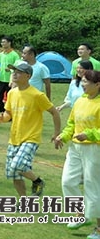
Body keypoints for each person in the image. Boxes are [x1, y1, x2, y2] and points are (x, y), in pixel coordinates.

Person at [0, 63, 61, 197]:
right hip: (14, 137)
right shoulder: (12, 93)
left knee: (17, 165)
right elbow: (9, 113)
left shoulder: (37, 95)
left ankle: (38, 181)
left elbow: (55, 113)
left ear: (28, 76)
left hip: (31, 137)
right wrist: (3, 118)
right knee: (14, 173)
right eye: (14, 71)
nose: (14, 74)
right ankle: (24, 200)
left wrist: (56, 133)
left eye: (19, 72)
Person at [54, 69, 100, 236]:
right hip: (75, 148)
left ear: (98, 84)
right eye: (82, 81)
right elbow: (72, 124)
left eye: (87, 81)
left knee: (92, 185)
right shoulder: (80, 100)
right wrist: (63, 136)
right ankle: (81, 214)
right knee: (68, 181)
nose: (83, 84)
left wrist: (89, 134)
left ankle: (99, 227)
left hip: (94, 148)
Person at [0, 36, 20, 113]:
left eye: (4, 42)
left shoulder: (14, 55)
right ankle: (3, 111)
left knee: (10, 98)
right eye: (1, 42)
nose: (2, 43)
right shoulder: (1, 54)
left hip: (11, 80)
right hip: (1, 79)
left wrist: (10, 69)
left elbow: (17, 67)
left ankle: (10, 113)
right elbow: (1, 64)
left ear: (9, 43)